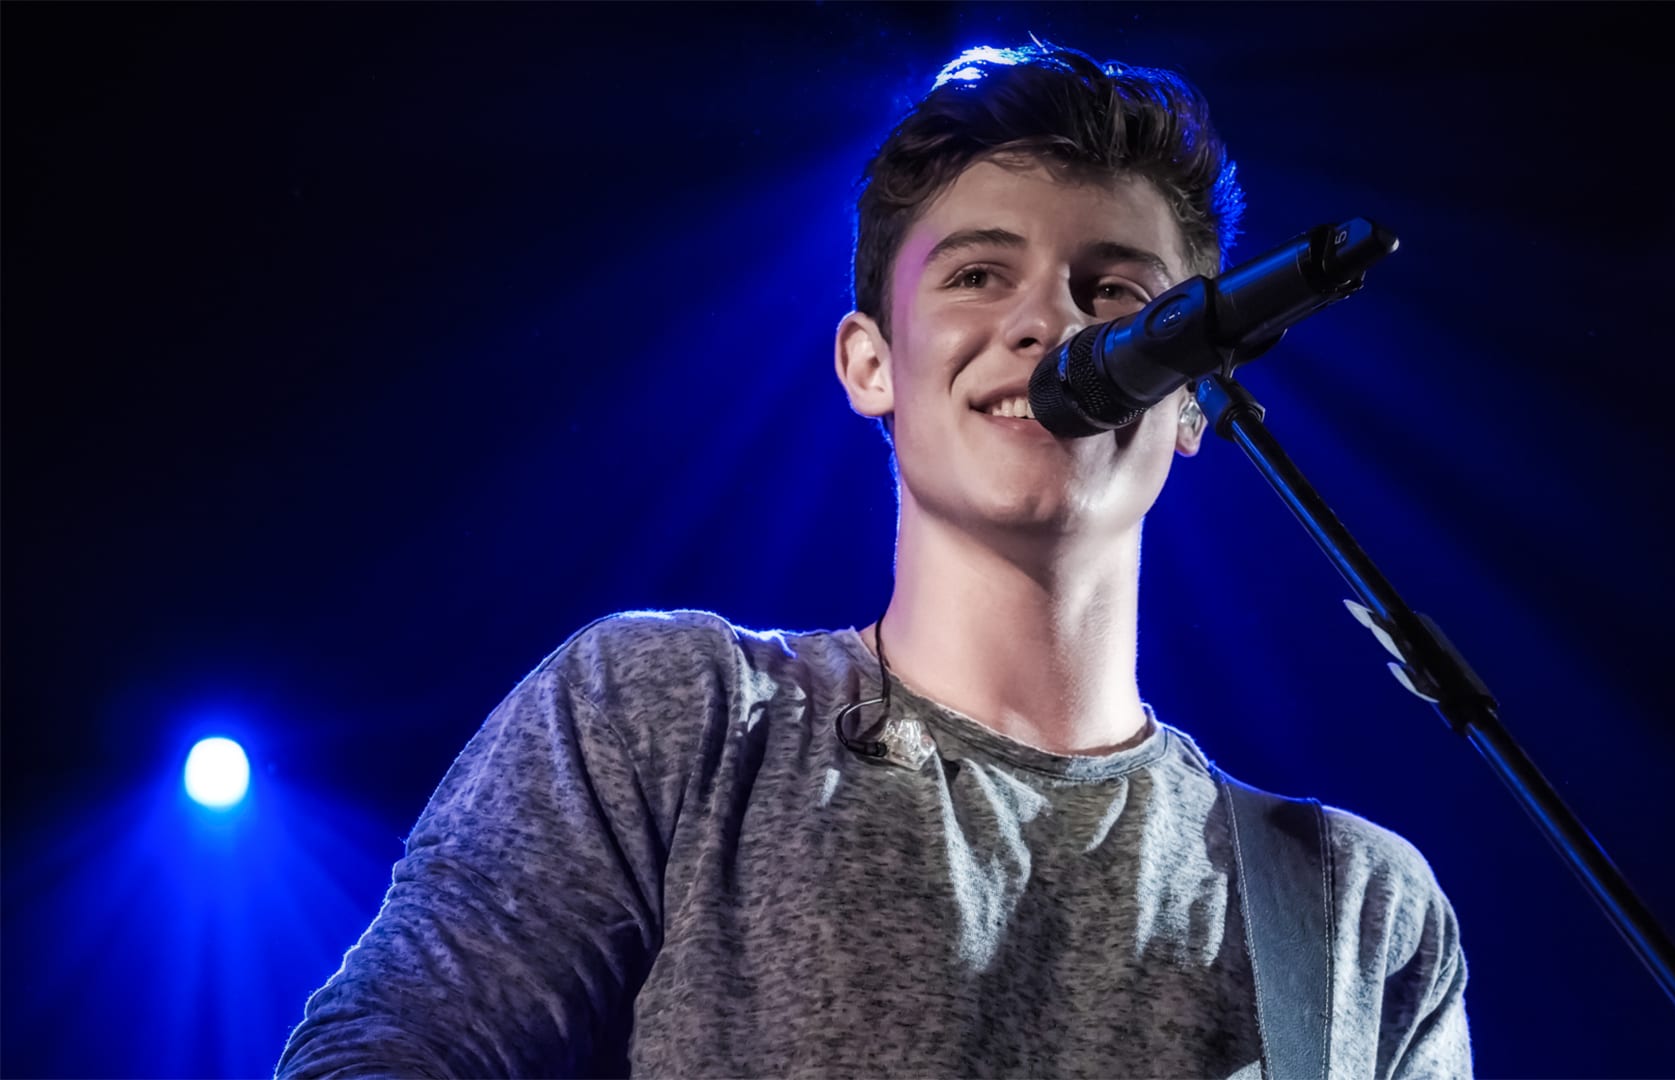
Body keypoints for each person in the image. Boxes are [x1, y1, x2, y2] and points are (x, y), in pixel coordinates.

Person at [276, 42, 1470, 1079]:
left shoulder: (1356, 914)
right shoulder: (671, 718)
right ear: (869, 364)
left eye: (1114, 291)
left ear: (1195, 398)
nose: (1048, 323)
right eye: (978, 274)